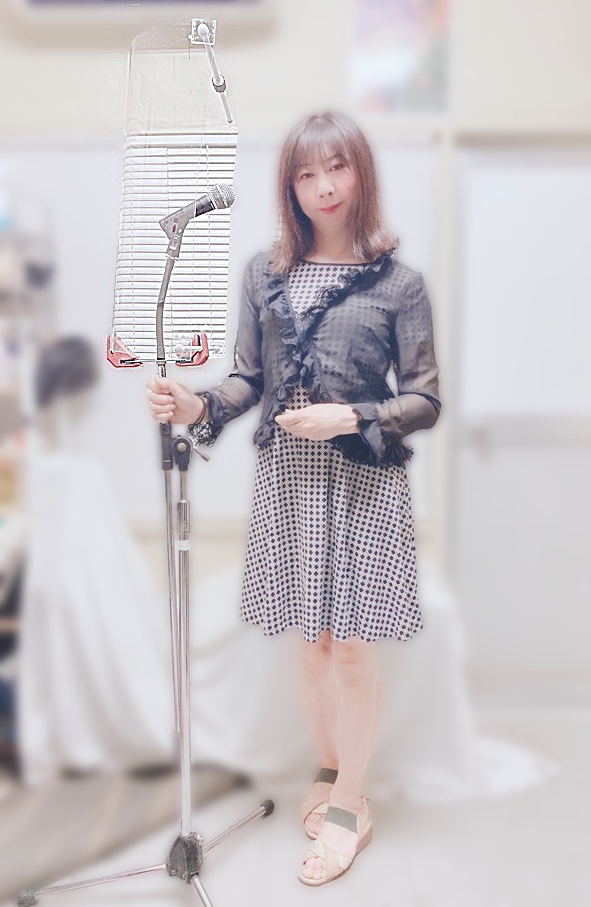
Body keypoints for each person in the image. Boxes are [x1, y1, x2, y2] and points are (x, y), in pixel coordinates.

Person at [146, 112, 441, 886]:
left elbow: (423, 398)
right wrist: (196, 404)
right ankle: (332, 763)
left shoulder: (399, 283)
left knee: (351, 647)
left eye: (336, 168)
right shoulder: (264, 273)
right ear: (290, 188)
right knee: (310, 645)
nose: (324, 187)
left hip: (364, 480)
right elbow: (248, 379)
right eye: (306, 174)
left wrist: (349, 416)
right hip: (289, 481)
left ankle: (349, 801)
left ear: (360, 173)